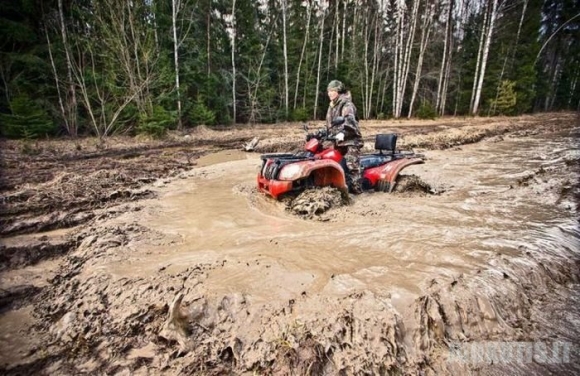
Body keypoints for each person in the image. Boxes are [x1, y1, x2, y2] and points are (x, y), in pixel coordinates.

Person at [325, 79, 364, 194]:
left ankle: (357, 191)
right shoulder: (332, 106)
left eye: (332, 90)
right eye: (328, 91)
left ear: (339, 91)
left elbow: (350, 122)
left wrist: (343, 133)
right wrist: (320, 133)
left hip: (351, 140)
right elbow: (330, 124)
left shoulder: (346, 104)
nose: (330, 93)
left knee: (351, 166)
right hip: (338, 141)